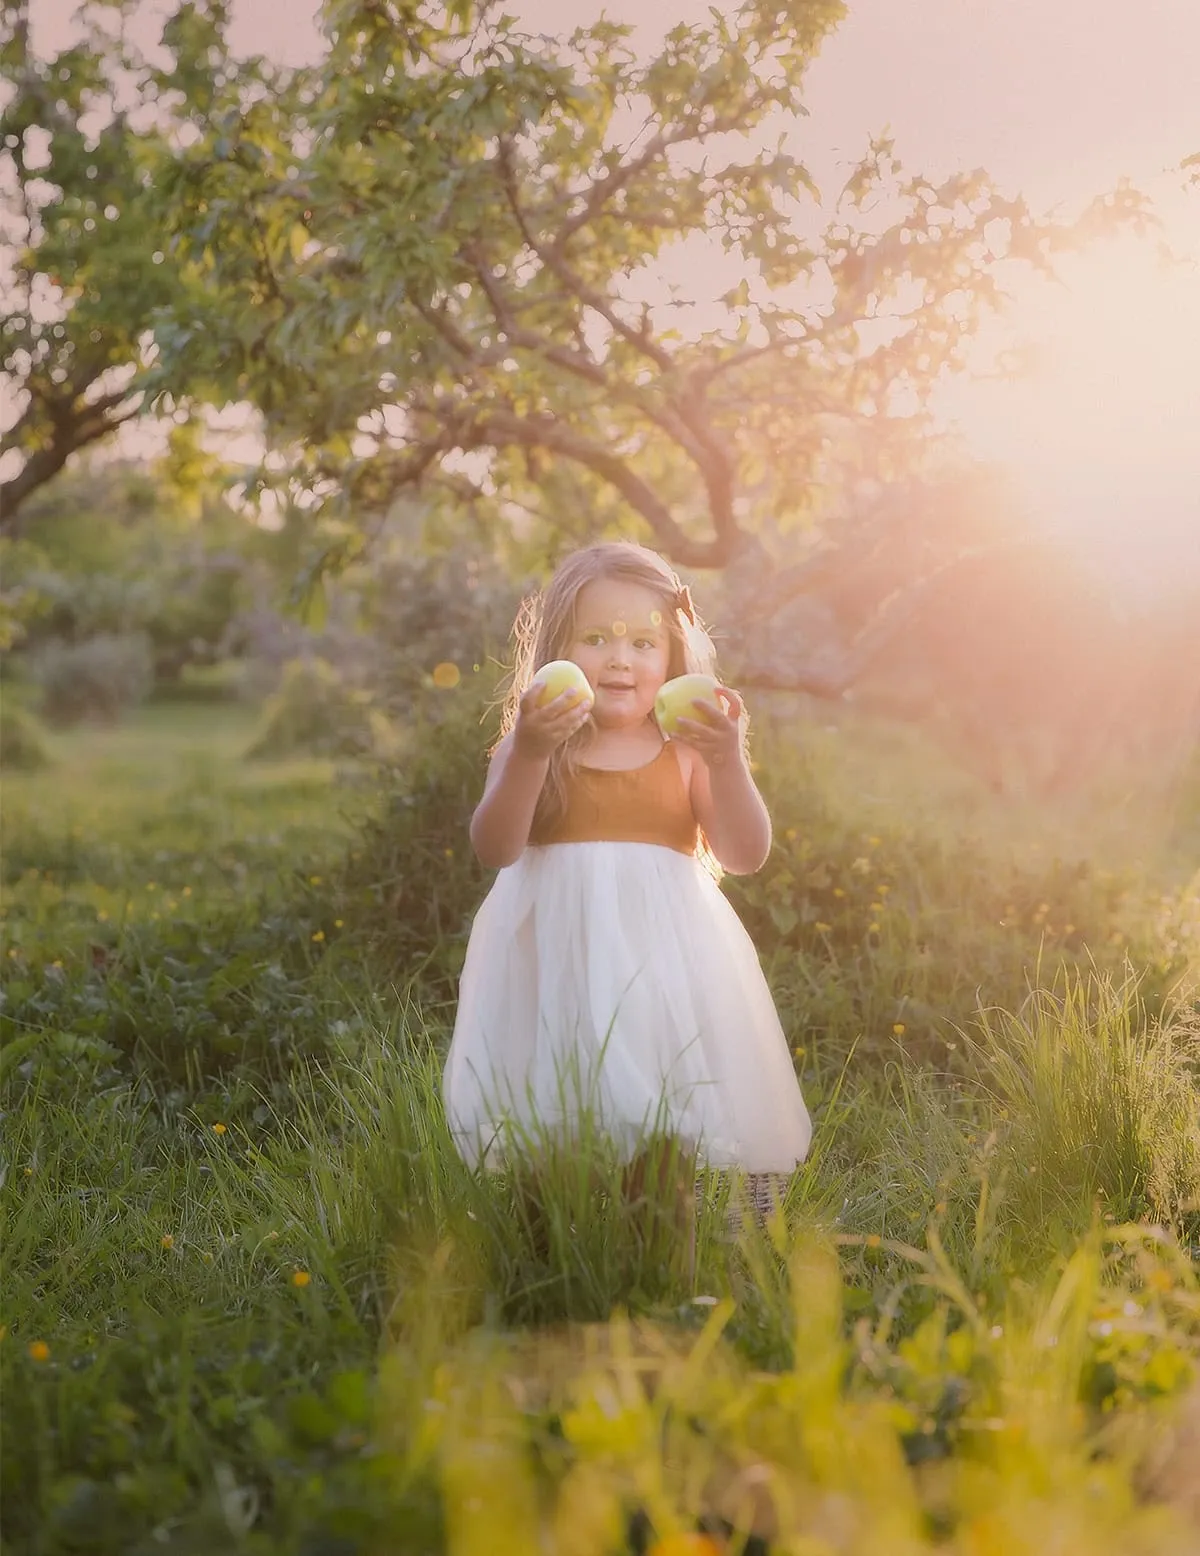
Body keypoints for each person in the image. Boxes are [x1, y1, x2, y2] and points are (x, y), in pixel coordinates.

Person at [442, 540, 812, 1196]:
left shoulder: (687, 752)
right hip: (553, 972)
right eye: (596, 638)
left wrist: (726, 760)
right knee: (548, 1118)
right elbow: (495, 848)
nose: (619, 658)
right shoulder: (534, 748)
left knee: (665, 1121)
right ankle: (553, 1258)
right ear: (559, 647)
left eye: (644, 643)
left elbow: (743, 854)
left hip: (661, 975)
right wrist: (529, 749)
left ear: (672, 655)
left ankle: (664, 1267)